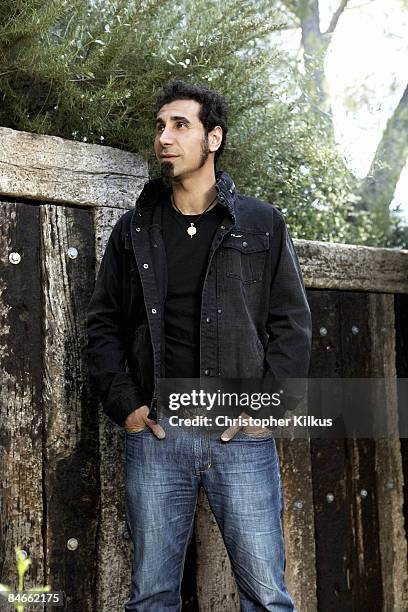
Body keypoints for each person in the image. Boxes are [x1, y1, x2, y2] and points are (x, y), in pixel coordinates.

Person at [86, 80, 312, 611]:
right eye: (160, 126)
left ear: (214, 138)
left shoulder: (260, 223)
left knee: (268, 598)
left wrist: (267, 406)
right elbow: (104, 326)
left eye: (180, 125)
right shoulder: (134, 230)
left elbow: (291, 323)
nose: (165, 137)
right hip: (160, 435)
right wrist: (129, 409)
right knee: (152, 597)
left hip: (241, 436)